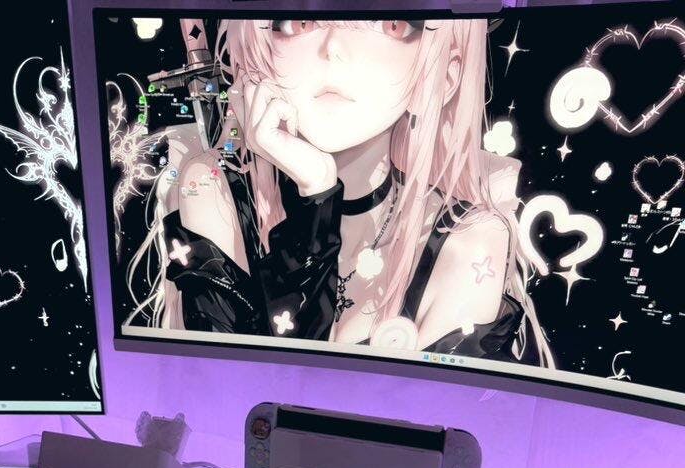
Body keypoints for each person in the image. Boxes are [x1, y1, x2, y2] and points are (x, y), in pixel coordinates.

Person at [128, 17, 552, 365]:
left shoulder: (470, 240)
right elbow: (229, 392)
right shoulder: (213, 189)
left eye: (390, 24)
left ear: (444, 75)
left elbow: (418, 421)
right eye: (296, 21)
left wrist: (318, 204)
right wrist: (316, 193)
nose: (333, 48)